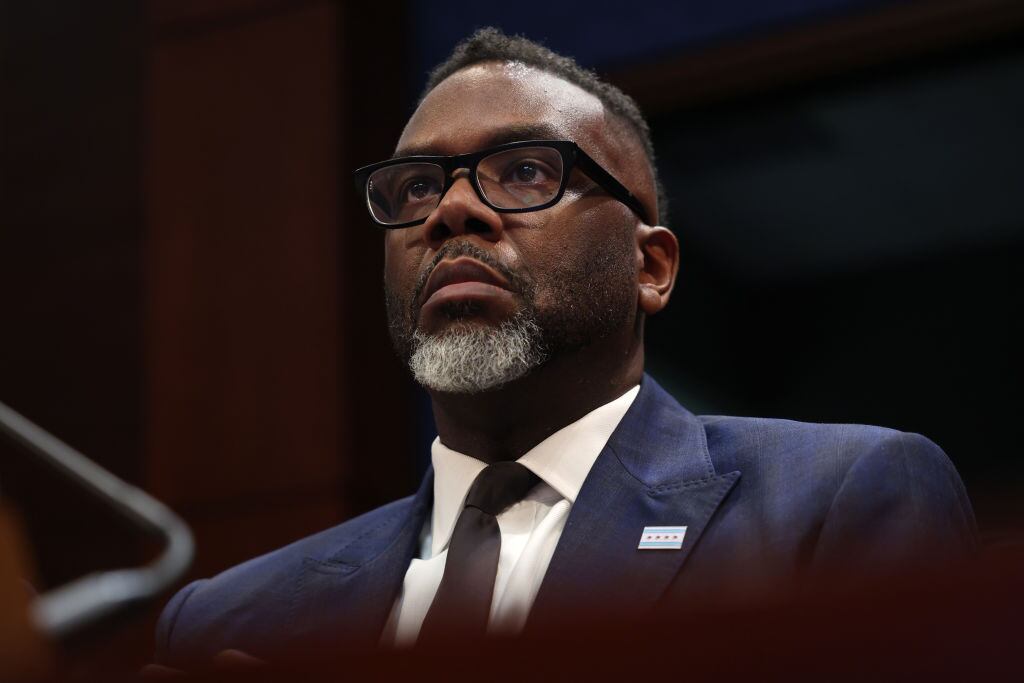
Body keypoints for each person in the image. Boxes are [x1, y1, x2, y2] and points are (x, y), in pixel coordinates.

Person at [153, 28, 977, 669]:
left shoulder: (834, 503)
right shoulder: (231, 619)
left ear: (649, 267)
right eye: (414, 188)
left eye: (522, 172)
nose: (451, 212)